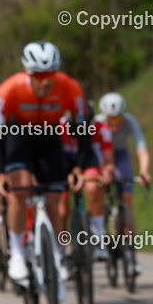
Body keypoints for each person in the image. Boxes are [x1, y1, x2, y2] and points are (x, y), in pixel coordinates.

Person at [0, 41, 90, 291]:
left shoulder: (69, 87)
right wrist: (1, 173)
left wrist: (79, 167)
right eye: (38, 75)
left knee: (55, 201)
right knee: (20, 189)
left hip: (49, 137)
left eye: (50, 74)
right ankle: (16, 253)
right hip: (18, 136)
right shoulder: (9, 89)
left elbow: (83, 129)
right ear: (27, 72)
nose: (45, 81)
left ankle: (57, 255)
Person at [95, 92, 152, 253]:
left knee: (126, 199)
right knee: (99, 191)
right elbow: (94, 150)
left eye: (118, 118)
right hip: (101, 155)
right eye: (110, 119)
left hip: (121, 155)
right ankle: (100, 229)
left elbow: (141, 148)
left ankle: (130, 248)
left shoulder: (130, 121)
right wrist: (102, 170)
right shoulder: (97, 122)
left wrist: (144, 171)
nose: (114, 122)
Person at [57, 104, 114, 261]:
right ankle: (59, 249)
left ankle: (98, 240)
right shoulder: (58, 127)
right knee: (61, 209)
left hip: (86, 160)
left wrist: (106, 172)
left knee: (94, 187)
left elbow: (107, 159)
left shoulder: (100, 128)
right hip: (62, 163)